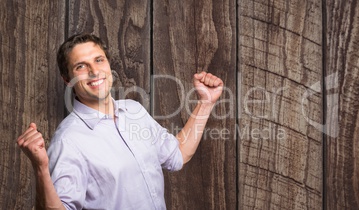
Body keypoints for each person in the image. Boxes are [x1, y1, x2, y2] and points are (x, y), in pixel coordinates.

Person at [16, 34, 223, 209]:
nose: (94, 72)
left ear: (108, 64)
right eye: (81, 66)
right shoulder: (68, 141)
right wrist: (41, 168)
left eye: (99, 60)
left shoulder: (134, 111)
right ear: (67, 79)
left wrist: (205, 103)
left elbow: (177, 155)